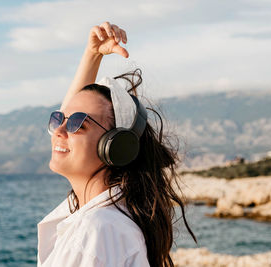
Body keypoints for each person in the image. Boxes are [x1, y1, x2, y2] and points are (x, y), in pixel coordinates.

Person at [37, 22, 196, 267]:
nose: (59, 131)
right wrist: (92, 55)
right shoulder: (108, 219)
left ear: (114, 146)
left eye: (77, 124)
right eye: (58, 119)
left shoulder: (94, 232)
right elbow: (74, 112)